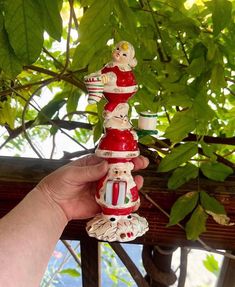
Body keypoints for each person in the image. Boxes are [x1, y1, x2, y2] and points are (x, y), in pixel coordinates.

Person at [0, 154, 149, 287]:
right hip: (107, 210)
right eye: (117, 171)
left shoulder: (125, 182)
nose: (119, 174)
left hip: (120, 212)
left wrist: (51, 201)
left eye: (123, 171)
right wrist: (51, 199)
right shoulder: (108, 182)